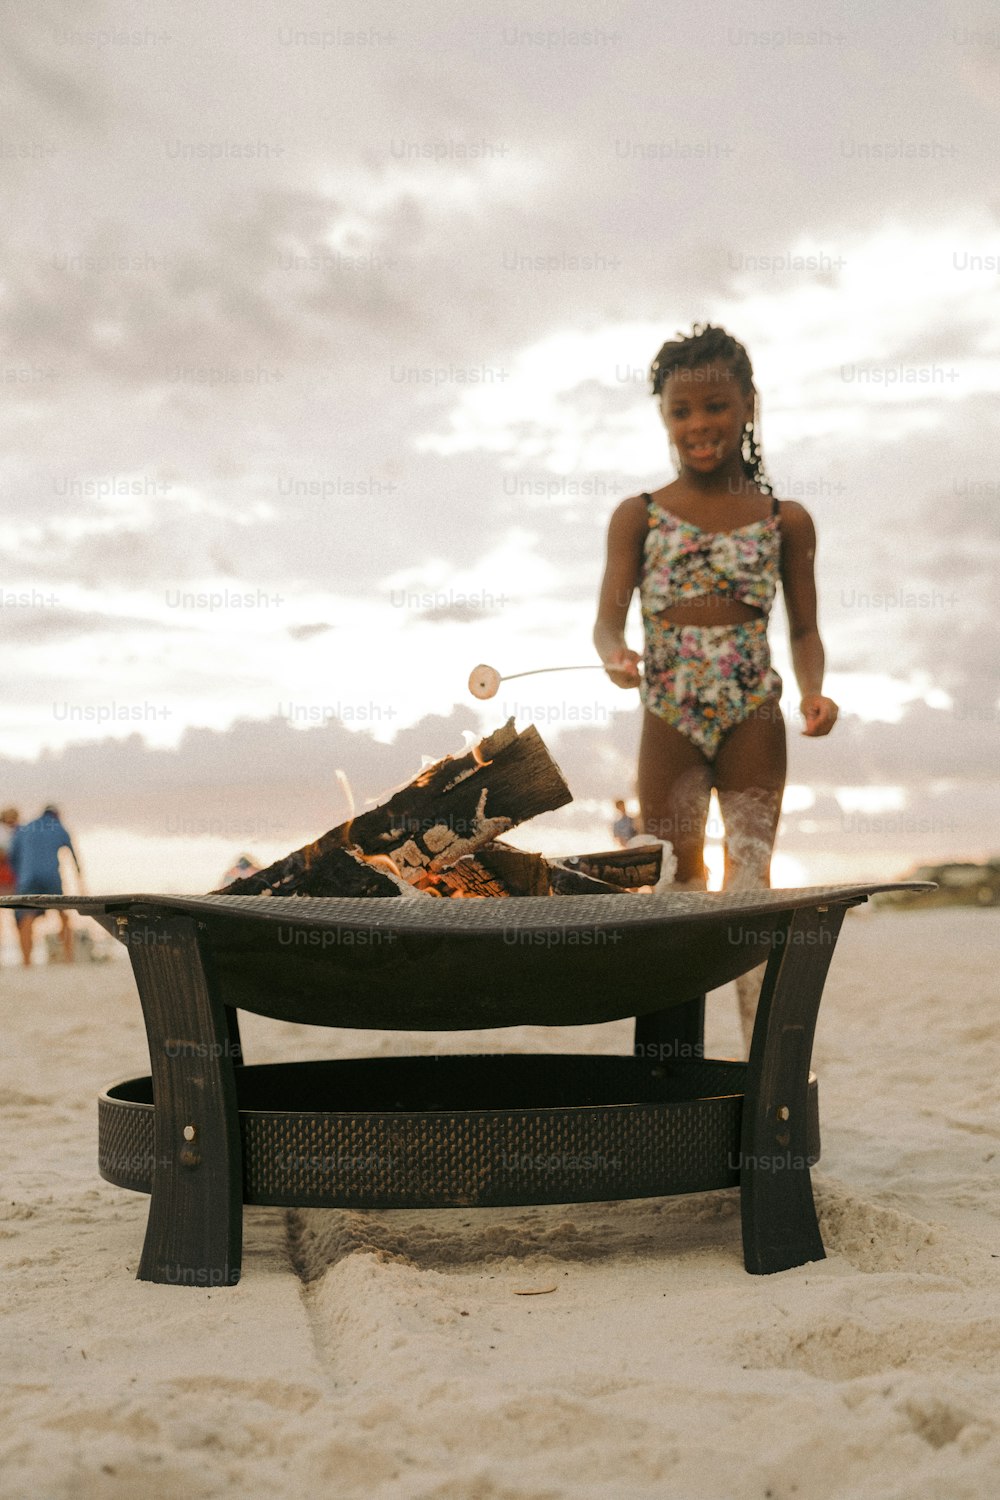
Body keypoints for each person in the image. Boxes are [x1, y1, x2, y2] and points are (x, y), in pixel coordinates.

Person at [593, 323, 838, 1050]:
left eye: (716, 406)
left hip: (752, 708)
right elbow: (606, 624)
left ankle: (765, 1063)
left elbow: (802, 630)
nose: (699, 425)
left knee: (750, 886)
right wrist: (616, 655)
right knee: (674, 883)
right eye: (681, 411)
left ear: (749, 407)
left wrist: (812, 691)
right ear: (664, 417)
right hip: (669, 708)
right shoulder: (638, 515)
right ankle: (671, 1067)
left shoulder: (783, 519)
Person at [8, 805, 82, 966]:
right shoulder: (57, 826)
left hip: (27, 878)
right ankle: (69, 958)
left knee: (26, 917)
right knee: (62, 913)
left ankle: (26, 961)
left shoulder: (25, 828)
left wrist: (19, 877)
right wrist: (79, 878)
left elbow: (12, 857)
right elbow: (73, 854)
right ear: (56, 814)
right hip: (51, 877)